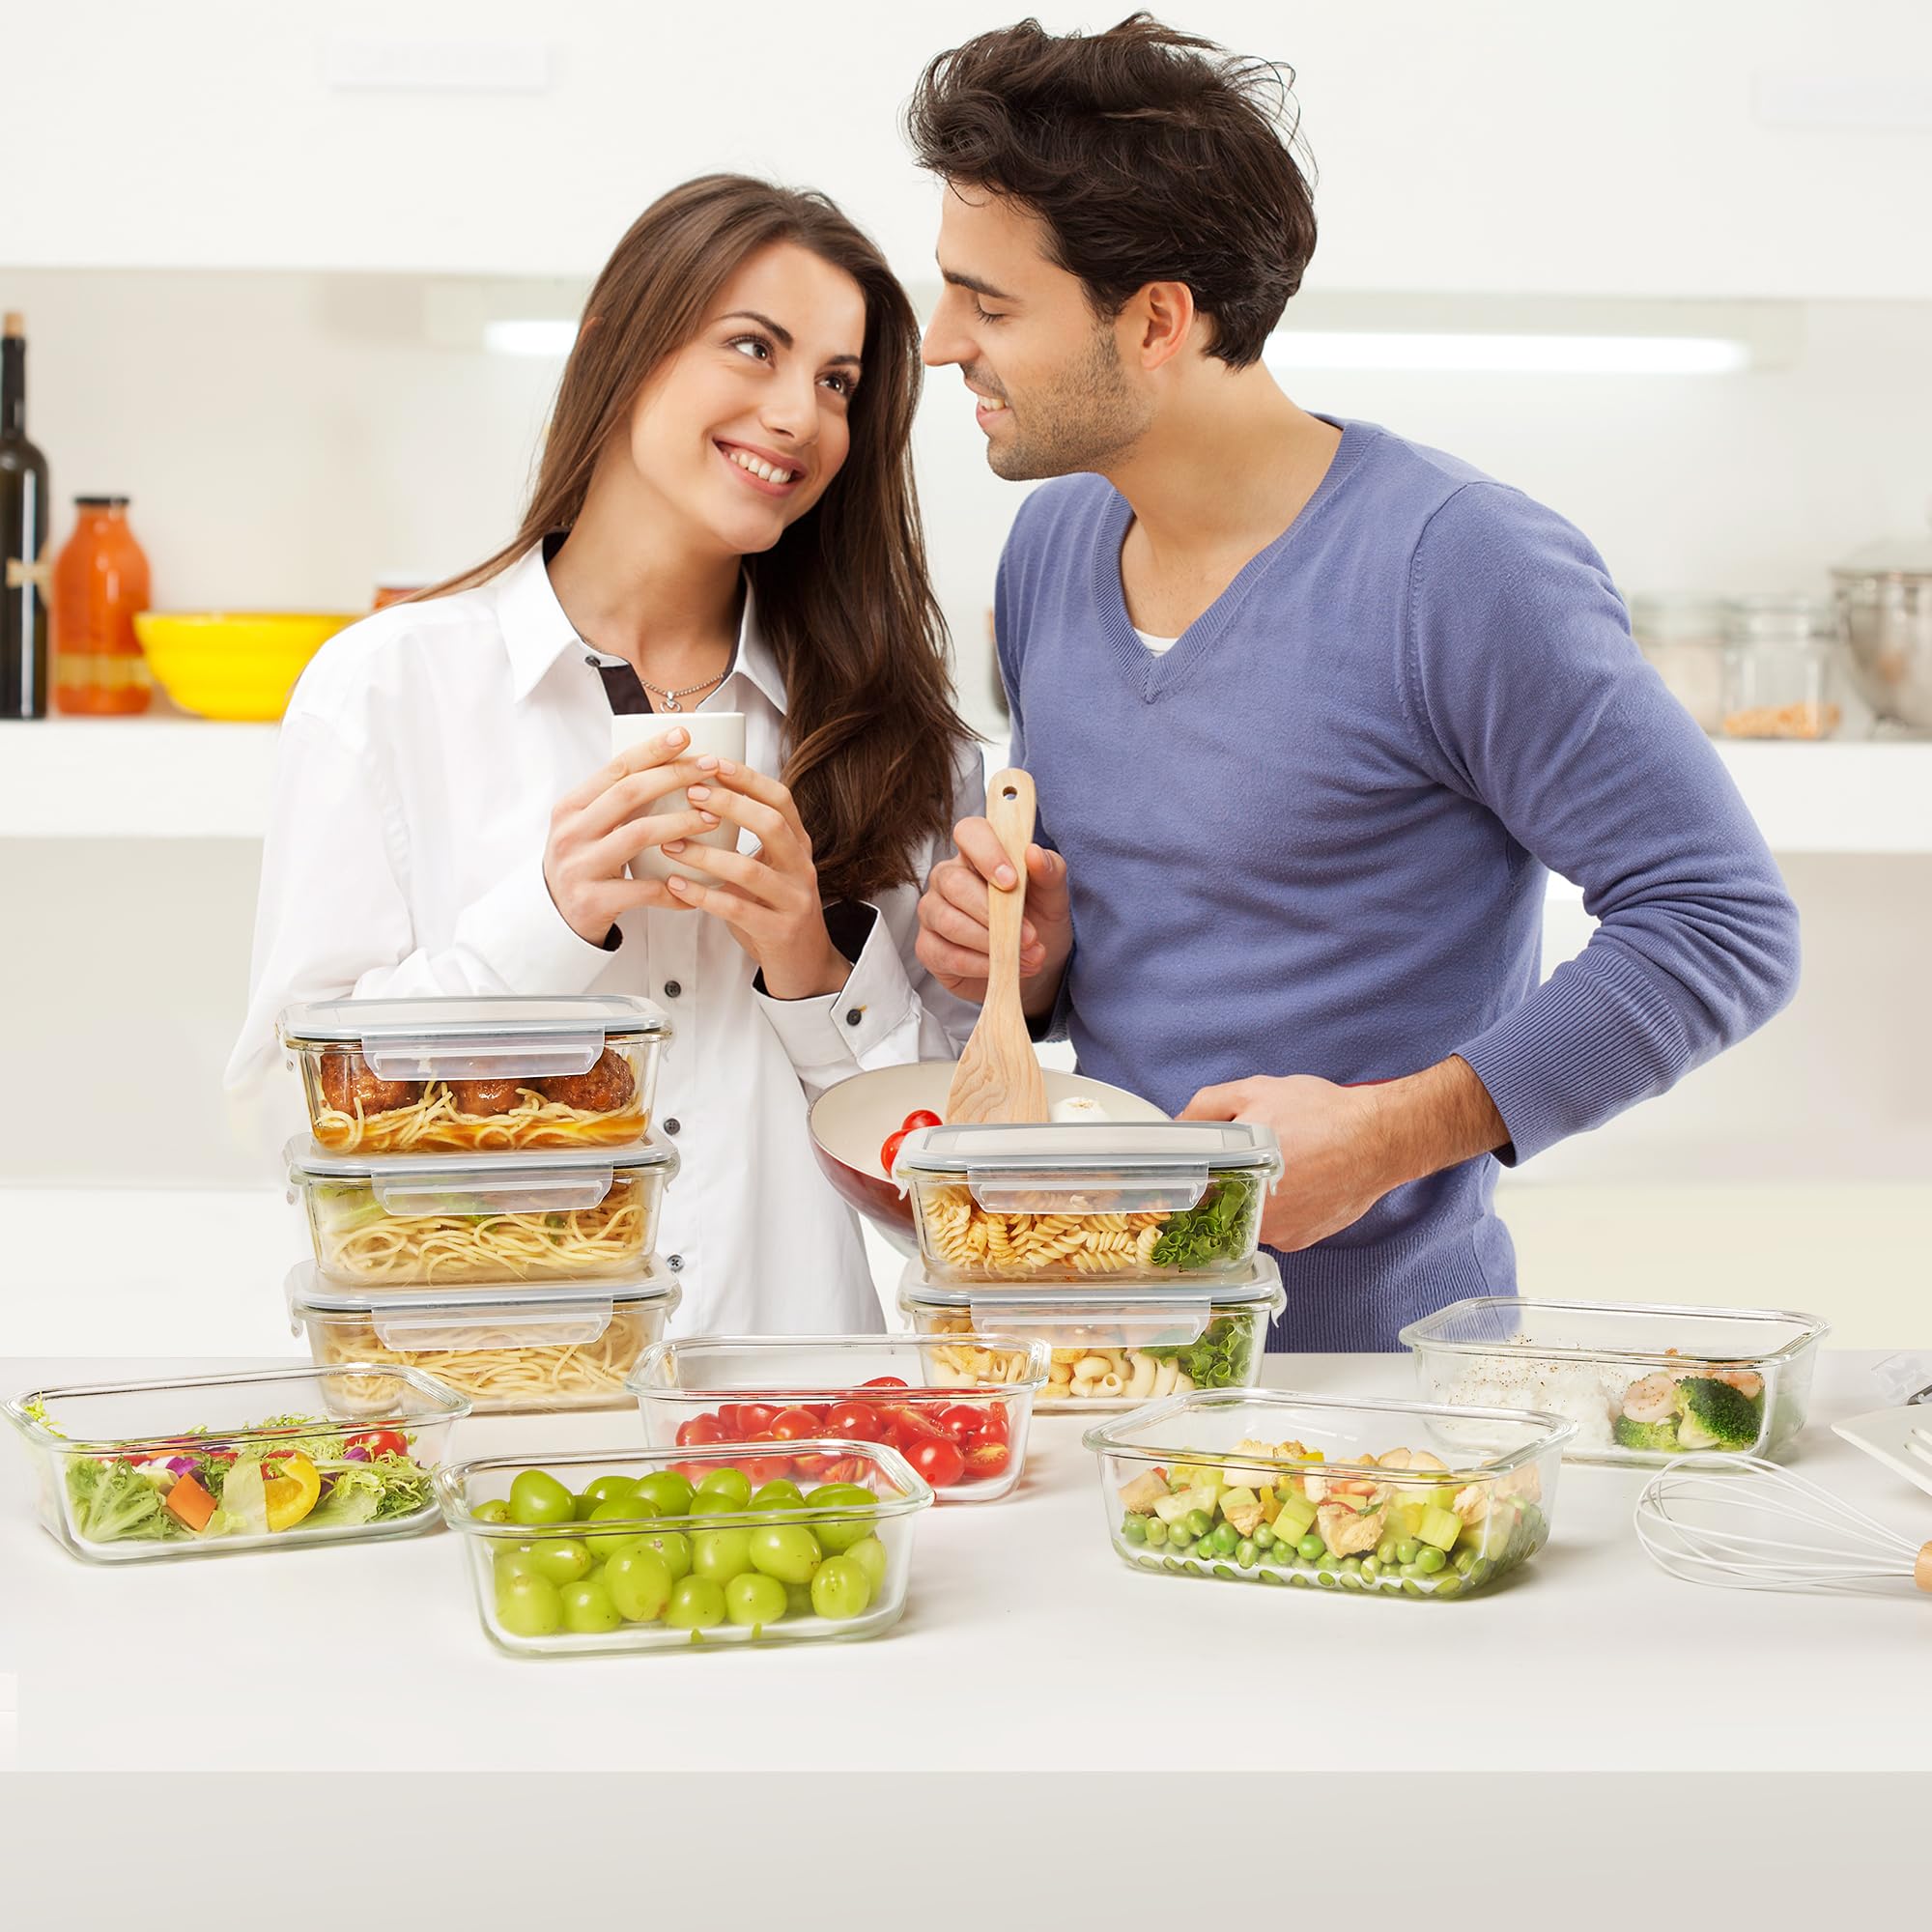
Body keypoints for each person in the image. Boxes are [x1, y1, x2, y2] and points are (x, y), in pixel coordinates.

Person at [906, 18, 1802, 1350]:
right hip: (1095, 1356)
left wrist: (1392, 1135)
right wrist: (1030, 970)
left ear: (1155, 321)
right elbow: (1188, 936)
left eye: (989, 304)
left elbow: (1721, 925)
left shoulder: (1459, 565)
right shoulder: (1051, 547)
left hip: (1386, 1393)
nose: (938, 345)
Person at [228, 174, 980, 1332]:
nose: (798, 415)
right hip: (489, 1422)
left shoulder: (890, 734)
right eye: (752, 346)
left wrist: (811, 964)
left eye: (836, 383)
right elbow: (303, 1115)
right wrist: (544, 920)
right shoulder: (386, 689)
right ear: (615, 348)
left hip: (791, 1438)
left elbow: (952, 1207)